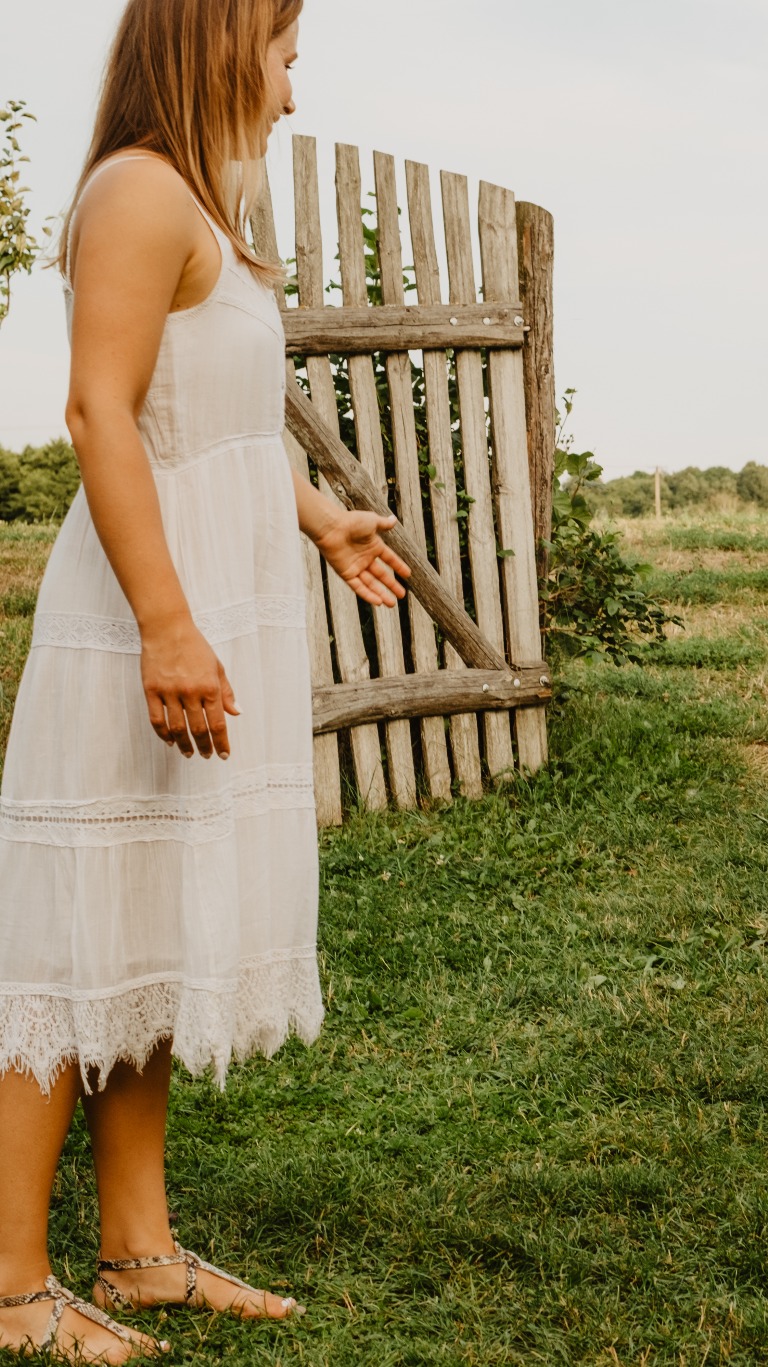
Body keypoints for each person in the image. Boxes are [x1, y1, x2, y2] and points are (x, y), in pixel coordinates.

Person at [0, 2, 410, 1359]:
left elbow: (213, 425)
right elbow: (98, 411)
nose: (294, 94)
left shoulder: (201, 212)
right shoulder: (134, 193)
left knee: (148, 930)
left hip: (206, 603)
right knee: (68, 944)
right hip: (134, 618)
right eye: (286, 56)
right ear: (223, 43)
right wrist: (168, 623)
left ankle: (138, 1253)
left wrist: (314, 515)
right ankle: (11, 1287)